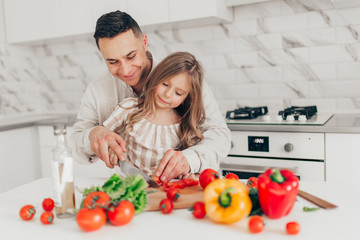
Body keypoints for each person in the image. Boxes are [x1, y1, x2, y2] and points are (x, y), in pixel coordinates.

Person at [70, 10, 231, 182]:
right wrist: (93, 136)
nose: (125, 70)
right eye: (113, 62)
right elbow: (75, 143)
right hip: (131, 190)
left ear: (144, 43)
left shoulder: (181, 78)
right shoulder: (98, 90)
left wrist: (190, 159)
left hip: (181, 188)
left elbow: (219, 134)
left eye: (131, 56)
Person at [103, 52, 205, 177]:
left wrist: (188, 174)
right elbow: (104, 137)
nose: (167, 94)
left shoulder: (184, 125)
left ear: (186, 98)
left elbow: (189, 165)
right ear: (156, 78)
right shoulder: (129, 108)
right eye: (165, 84)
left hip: (165, 189)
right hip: (130, 185)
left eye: (178, 93)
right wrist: (111, 148)